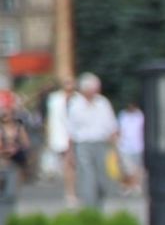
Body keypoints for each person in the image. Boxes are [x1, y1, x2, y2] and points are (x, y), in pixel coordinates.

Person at [66, 74, 118, 209]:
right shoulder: (75, 105)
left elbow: (112, 126)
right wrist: (70, 152)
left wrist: (116, 147)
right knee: (87, 177)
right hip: (83, 144)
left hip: (101, 143)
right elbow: (71, 131)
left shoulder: (103, 103)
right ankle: (90, 210)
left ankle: (99, 204)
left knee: (102, 179)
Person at [43, 76, 77, 206]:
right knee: (68, 166)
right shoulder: (55, 99)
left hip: (76, 137)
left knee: (72, 166)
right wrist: (49, 135)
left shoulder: (78, 99)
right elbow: (50, 119)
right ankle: (70, 193)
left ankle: (73, 191)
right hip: (61, 136)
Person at [0, 97, 30, 200]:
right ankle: (5, 188)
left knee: (18, 166)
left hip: (17, 153)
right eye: (3, 115)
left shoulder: (18, 127)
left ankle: (15, 191)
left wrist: (17, 147)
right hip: (4, 154)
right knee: (5, 164)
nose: (5, 117)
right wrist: (5, 150)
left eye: (7, 114)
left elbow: (26, 142)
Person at [116, 99, 145, 197]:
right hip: (125, 146)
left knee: (137, 168)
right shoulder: (122, 115)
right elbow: (119, 129)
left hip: (138, 145)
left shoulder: (140, 116)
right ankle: (128, 185)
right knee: (127, 168)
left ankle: (136, 185)